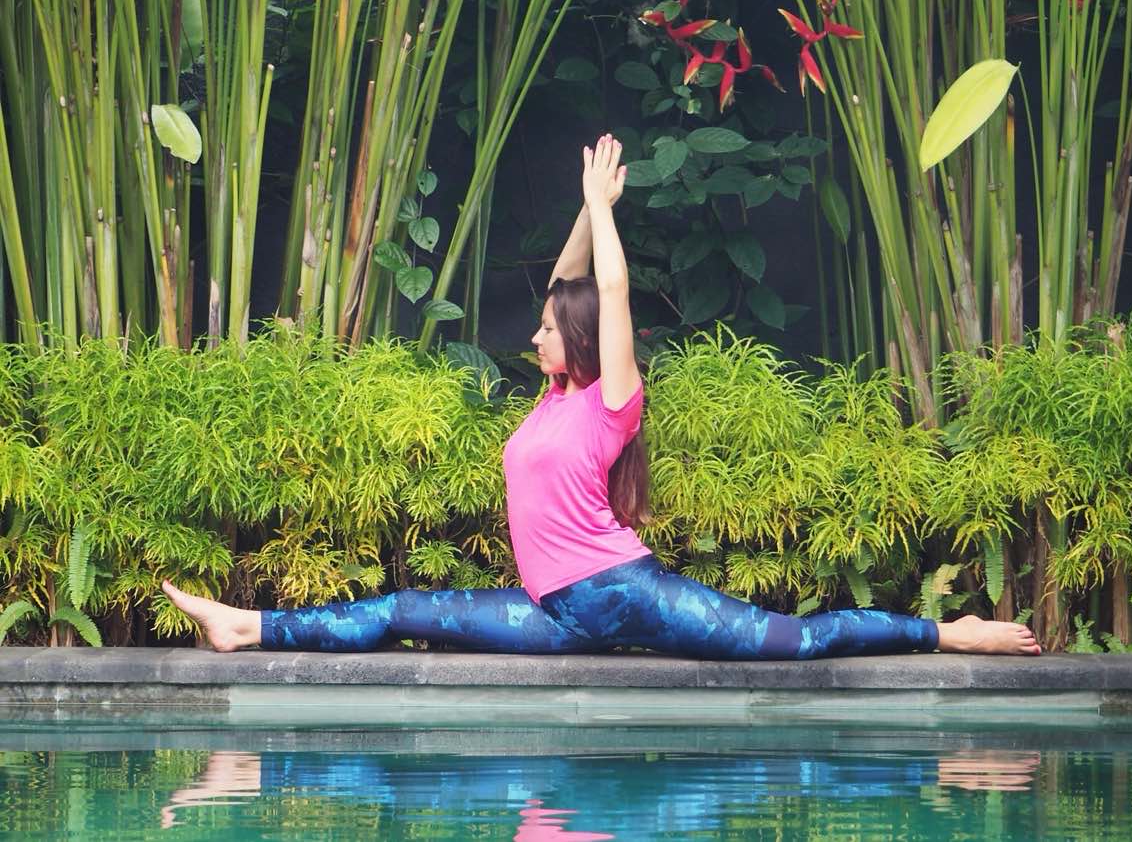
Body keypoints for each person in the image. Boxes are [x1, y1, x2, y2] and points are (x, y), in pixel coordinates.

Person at [162, 134, 1041, 660]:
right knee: (397, 608)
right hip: (556, 613)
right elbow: (569, 279)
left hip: (624, 593)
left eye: (548, 330)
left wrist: (607, 213)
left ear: (574, 342)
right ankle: (247, 628)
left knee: (797, 643)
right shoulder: (552, 399)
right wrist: (591, 206)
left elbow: (605, 296)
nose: (534, 335)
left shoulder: (610, 400)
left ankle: (948, 632)